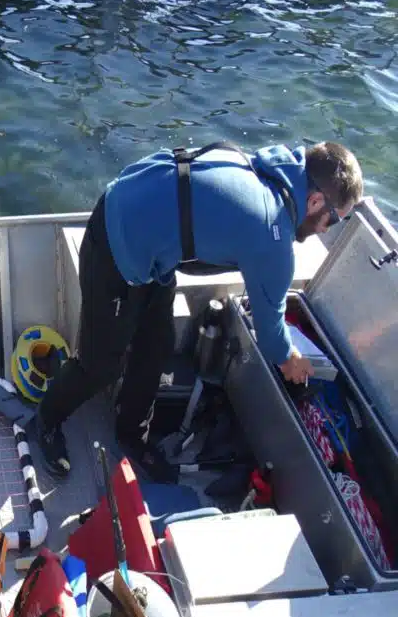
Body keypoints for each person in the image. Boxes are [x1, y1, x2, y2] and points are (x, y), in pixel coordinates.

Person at [35, 139, 363, 484]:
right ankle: (47, 419)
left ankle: (131, 434)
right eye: (334, 220)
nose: (326, 229)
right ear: (314, 201)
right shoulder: (273, 236)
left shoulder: (272, 169)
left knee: (157, 346)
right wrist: (292, 360)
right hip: (114, 241)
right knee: (101, 365)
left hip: (152, 245)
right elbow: (272, 337)